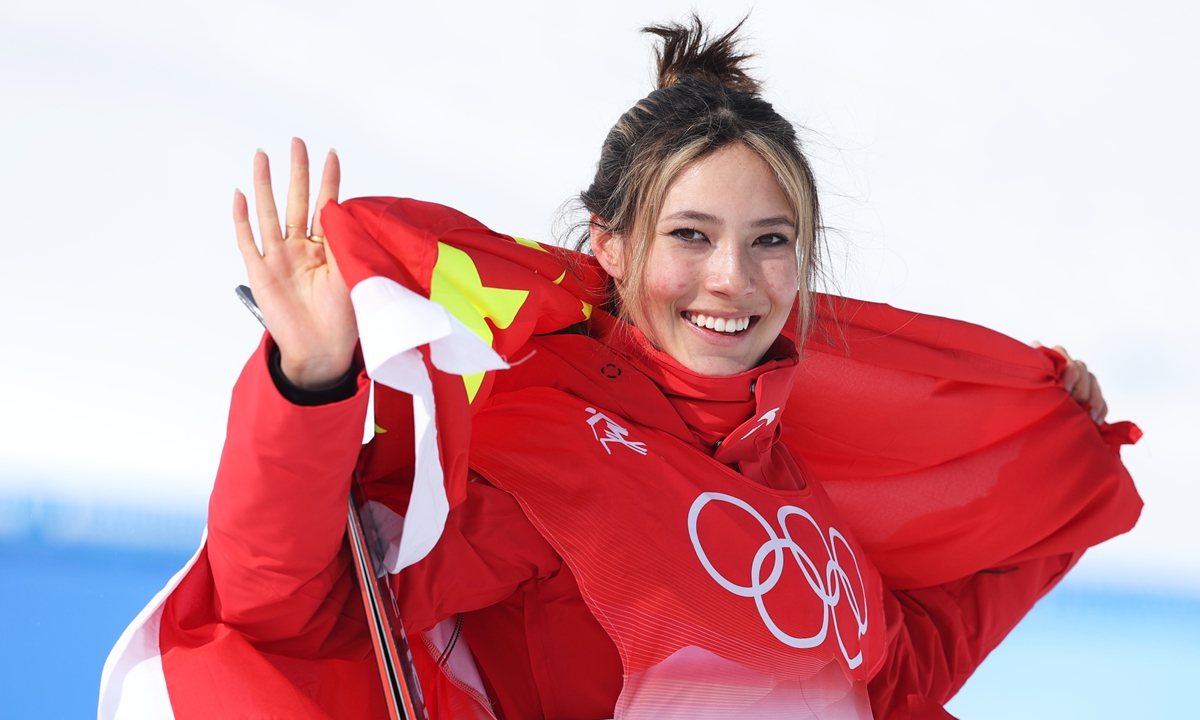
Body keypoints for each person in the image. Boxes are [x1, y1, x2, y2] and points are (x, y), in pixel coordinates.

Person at [100, 16, 1139, 720]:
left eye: (771, 241)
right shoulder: (547, 456)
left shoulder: (794, 490)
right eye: (691, 235)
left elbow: (897, 675)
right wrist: (311, 381)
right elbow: (300, 606)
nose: (733, 279)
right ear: (610, 242)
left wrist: (1063, 477)